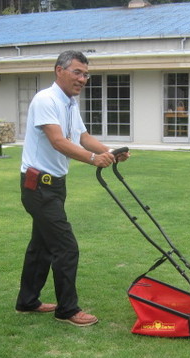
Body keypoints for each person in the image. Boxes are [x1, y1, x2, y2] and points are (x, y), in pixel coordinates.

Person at [15, 50, 129, 326]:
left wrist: (110, 151)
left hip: (54, 185)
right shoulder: (46, 99)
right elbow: (57, 141)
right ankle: (67, 309)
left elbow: (82, 136)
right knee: (66, 247)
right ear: (59, 71)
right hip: (38, 186)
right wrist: (93, 159)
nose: (83, 79)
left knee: (41, 246)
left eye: (86, 74)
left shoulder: (69, 103)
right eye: (77, 72)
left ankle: (27, 301)